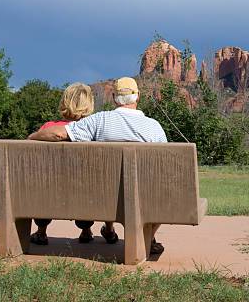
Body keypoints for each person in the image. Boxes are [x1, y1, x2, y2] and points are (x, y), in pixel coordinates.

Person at [28, 77, 168, 253]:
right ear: (137, 97)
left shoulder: (99, 121)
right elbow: (164, 166)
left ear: (114, 98)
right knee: (157, 191)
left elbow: (59, 134)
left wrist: (33, 136)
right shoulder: (154, 127)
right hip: (141, 194)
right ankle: (146, 238)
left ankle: (43, 231)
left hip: (103, 196)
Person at [29, 82, 96, 245]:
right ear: (89, 105)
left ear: (64, 102)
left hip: (50, 191)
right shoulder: (93, 130)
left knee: (43, 186)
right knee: (88, 186)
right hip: (84, 194)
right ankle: (86, 230)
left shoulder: (48, 128)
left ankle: (41, 231)